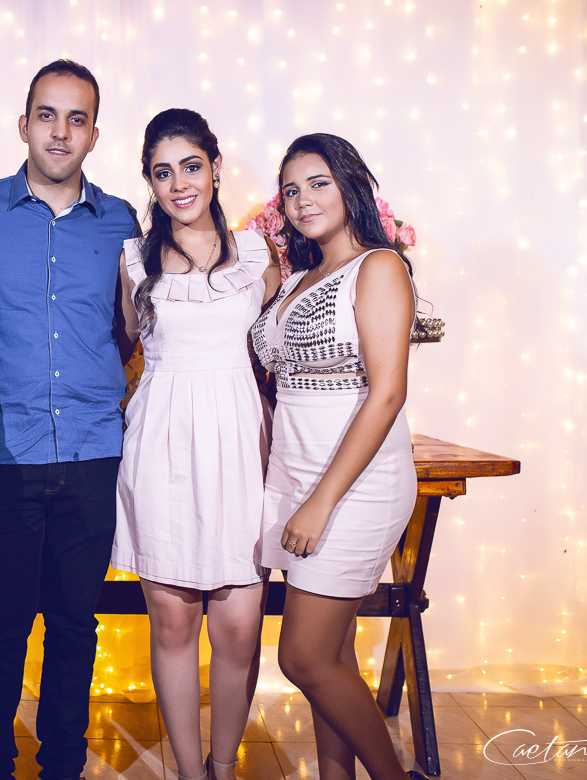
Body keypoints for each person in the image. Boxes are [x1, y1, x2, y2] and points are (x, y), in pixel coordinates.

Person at [0, 59, 139, 780]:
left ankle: (63, 766)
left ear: (94, 135)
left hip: (92, 452)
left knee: (75, 626)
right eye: (47, 116)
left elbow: (132, 327)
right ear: (24, 125)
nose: (60, 132)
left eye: (76, 119)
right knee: (0, 624)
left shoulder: (122, 220)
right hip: (1, 455)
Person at [249, 134, 428, 780]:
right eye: (291, 190)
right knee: (333, 656)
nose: (303, 200)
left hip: (353, 486)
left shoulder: (379, 267)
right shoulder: (299, 278)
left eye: (318, 183)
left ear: (351, 185)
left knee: (303, 657)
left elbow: (387, 393)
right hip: (294, 474)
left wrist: (321, 502)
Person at [111, 109, 281, 780]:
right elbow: (122, 347)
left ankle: (224, 763)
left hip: (240, 441)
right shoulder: (132, 259)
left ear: (214, 167)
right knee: (174, 624)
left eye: (190, 166)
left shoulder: (259, 254)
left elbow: (279, 353)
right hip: (162, 445)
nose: (179, 183)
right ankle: (189, 772)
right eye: (163, 172)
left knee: (239, 627)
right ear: (150, 182)